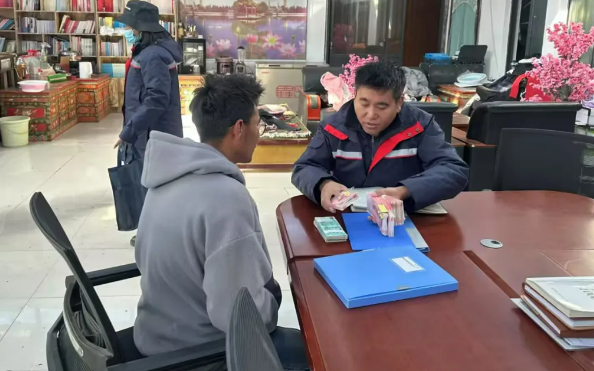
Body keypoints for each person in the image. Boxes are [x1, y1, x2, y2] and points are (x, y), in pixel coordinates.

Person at [133, 74, 309, 371]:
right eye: (258, 124)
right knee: (324, 353)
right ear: (239, 128)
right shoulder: (226, 199)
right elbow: (241, 317)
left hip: (156, 334)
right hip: (199, 353)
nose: (259, 134)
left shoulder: (164, 176)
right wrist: (272, 297)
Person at [292, 60, 469, 213]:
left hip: (403, 215)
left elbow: (453, 170)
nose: (371, 115)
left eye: (382, 106)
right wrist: (323, 184)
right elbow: (305, 167)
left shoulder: (419, 126)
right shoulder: (333, 127)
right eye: (364, 103)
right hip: (346, 215)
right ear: (354, 96)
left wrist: (405, 191)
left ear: (399, 103)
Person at [113, 0, 183, 246]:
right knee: (152, 184)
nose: (127, 31)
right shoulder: (150, 51)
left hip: (153, 134)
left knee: (154, 186)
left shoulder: (153, 55)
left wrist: (129, 132)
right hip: (148, 132)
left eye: (129, 27)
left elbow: (156, 100)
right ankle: (155, 232)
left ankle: (157, 236)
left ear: (140, 29)